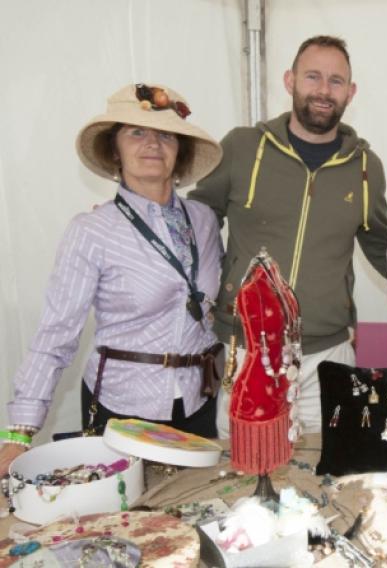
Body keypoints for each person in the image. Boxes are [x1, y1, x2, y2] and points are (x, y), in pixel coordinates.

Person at [1, 83, 224, 476]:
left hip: (198, 404)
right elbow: (56, 334)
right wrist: (21, 430)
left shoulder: (204, 221)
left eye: (166, 134)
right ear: (114, 149)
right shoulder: (92, 231)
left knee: (193, 513)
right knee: (130, 525)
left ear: (180, 150)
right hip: (124, 409)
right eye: (136, 132)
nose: (152, 144)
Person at [189, 35, 387, 434]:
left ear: (351, 92)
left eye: (336, 81)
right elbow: (197, 219)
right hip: (245, 349)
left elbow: (386, 249)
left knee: (326, 475)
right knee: (243, 471)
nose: (323, 90)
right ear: (289, 81)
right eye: (312, 76)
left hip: (326, 355)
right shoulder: (243, 146)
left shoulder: (366, 166)